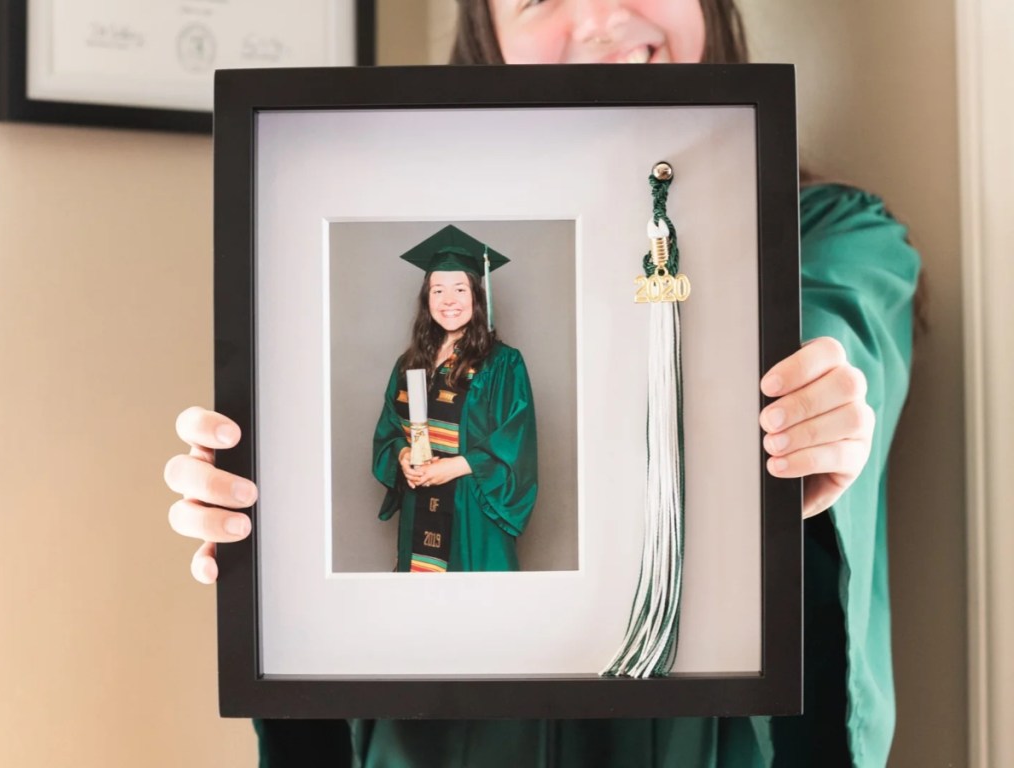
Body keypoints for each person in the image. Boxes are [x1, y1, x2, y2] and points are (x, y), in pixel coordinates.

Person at [164, 1, 920, 765]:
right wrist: (270, 511)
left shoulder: (833, 239)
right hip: (437, 713)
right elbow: (382, 443)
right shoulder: (405, 360)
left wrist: (811, 417)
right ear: (483, 33)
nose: (597, 13)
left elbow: (837, 340)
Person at [372, 224, 538, 572]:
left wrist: (454, 468)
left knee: (477, 612)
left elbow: (516, 440)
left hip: (472, 507)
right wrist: (403, 456)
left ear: (477, 297)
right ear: (426, 299)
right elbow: (390, 427)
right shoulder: (409, 363)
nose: (449, 300)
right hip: (420, 505)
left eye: (460, 289)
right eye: (438, 290)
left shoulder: (502, 363)